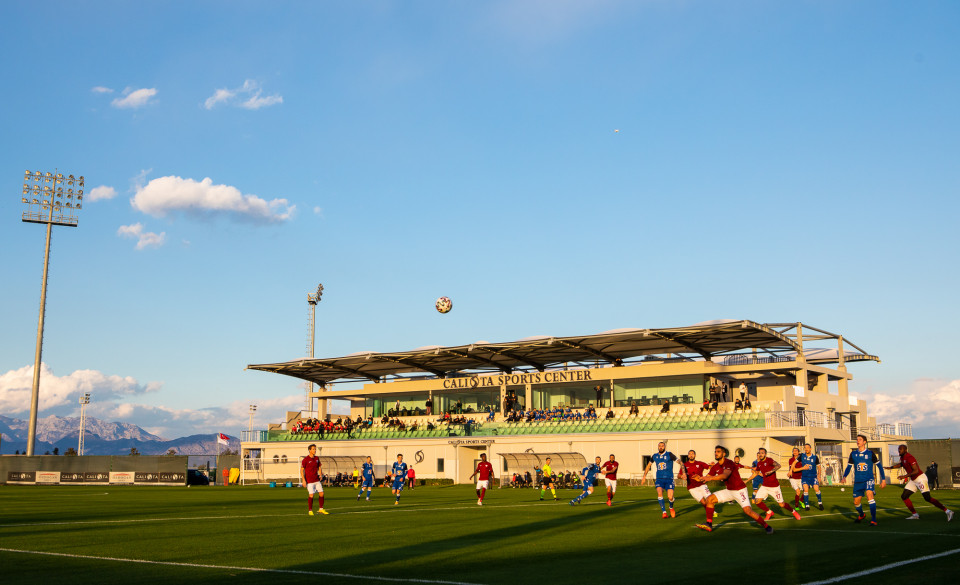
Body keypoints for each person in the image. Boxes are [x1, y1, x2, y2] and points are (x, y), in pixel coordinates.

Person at [696, 445, 773, 534]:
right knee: (709, 499)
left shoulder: (729, 463)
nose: (716, 453)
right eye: (715, 452)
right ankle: (709, 524)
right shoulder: (715, 466)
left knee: (748, 511)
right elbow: (707, 477)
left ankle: (766, 526)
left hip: (740, 490)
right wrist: (699, 478)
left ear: (724, 454)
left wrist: (710, 478)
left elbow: (725, 475)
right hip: (729, 491)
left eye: (718, 452)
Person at [885, 445, 953, 521]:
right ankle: (915, 515)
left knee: (927, 498)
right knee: (904, 496)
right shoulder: (902, 457)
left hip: (920, 478)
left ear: (905, 450)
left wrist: (904, 476)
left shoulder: (910, 458)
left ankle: (948, 511)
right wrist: (890, 467)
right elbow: (901, 464)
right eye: (898, 449)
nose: (899, 450)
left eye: (900, 449)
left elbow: (916, 471)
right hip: (913, 479)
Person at [841, 434, 886, 525]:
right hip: (858, 481)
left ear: (864, 442)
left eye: (860, 439)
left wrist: (883, 479)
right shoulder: (853, 454)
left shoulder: (870, 453)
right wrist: (844, 476)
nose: (858, 441)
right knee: (856, 502)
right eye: (857, 439)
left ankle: (873, 520)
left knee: (870, 496)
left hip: (868, 479)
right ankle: (861, 515)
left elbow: (879, 466)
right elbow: (849, 467)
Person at [750, 448, 801, 521]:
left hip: (774, 487)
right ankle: (769, 512)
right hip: (764, 486)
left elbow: (778, 465)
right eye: (759, 453)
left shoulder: (769, 460)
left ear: (765, 454)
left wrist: (770, 472)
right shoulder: (759, 463)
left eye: (762, 453)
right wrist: (747, 480)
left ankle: (794, 512)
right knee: (757, 501)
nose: (760, 454)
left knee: (782, 504)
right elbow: (756, 473)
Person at [642, 441, 678, 518]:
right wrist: (644, 476)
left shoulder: (669, 454)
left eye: (662, 446)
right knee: (659, 492)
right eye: (659, 446)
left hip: (669, 479)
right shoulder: (655, 456)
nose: (661, 447)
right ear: (658, 447)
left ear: (664, 447)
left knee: (670, 497)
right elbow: (648, 465)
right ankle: (664, 512)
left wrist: (683, 470)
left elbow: (679, 461)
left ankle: (671, 507)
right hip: (659, 479)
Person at [300, 444, 328, 515]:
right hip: (309, 481)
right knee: (311, 495)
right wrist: (303, 480)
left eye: (315, 449)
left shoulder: (317, 458)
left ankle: (321, 509)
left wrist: (320, 474)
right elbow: (301, 470)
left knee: (321, 493)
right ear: (309, 450)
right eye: (313, 449)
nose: (315, 450)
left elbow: (319, 467)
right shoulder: (305, 460)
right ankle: (310, 510)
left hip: (316, 480)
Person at [800, 443, 824, 510]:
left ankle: (820, 503)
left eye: (807, 447)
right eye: (805, 448)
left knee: (816, 489)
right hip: (805, 477)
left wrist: (819, 476)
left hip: (813, 477)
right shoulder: (802, 456)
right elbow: (795, 462)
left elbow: (819, 467)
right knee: (806, 490)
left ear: (810, 448)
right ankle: (807, 505)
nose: (806, 449)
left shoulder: (815, 457)